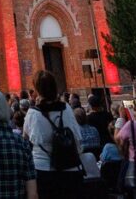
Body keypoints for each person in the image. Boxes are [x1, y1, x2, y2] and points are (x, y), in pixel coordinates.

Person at [21, 70, 82, 198]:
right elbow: (77, 136)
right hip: (69, 167)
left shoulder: (33, 113)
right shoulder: (67, 108)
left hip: (43, 169)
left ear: (37, 89)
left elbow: (25, 139)